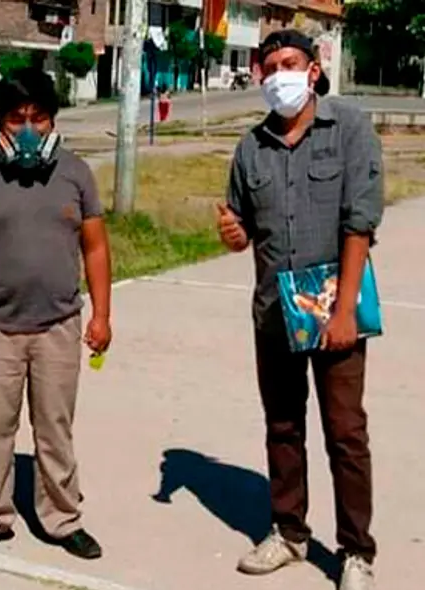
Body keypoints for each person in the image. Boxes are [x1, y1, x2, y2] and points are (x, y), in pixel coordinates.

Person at [218, 29, 383, 590]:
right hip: (274, 311)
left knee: (345, 432)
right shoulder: (250, 148)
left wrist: (342, 313)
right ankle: (289, 533)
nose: (280, 74)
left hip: (335, 305)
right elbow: (241, 229)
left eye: (291, 63)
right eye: (270, 67)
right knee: (283, 426)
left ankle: (356, 551)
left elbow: (360, 222)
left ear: (313, 70)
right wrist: (232, 234)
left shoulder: (350, 129)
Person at [0, 67, 112, 560]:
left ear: (53, 121)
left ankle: (62, 519)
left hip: (59, 323)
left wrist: (101, 316)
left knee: (55, 427)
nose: (29, 130)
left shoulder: (76, 173)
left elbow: (97, 249)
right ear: (0, 123)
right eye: (17, 119)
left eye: (38, 118)